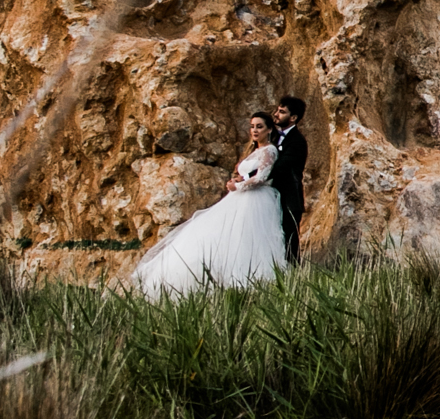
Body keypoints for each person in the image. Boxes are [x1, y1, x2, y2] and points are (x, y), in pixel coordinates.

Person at [127, 111, 289, 296]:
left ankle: (247, 280)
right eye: (252, 126)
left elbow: (262, 177)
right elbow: (246, 175)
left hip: (256, 198)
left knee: (248, 238)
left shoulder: (269, 150)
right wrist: (234, 181)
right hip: (239, 197)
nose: (254, 130)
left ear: (269, 129)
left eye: (259, 127)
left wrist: (239, 186)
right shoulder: (254, 151)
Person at [271, 93, 310, 265]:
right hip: (274, 197)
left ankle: (293, 274)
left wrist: (254, 177)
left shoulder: (297, 141)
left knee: (289, 239)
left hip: (289, 198)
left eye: (281, 112)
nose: (276, 115)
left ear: (293, 117)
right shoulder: (273, 137)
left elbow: (281, 167)